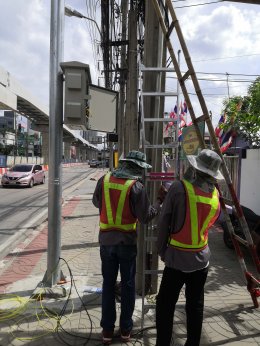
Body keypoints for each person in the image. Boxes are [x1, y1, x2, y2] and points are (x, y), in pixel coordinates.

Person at [92, 150, 166, 345]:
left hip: (106, 243)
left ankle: (107, 331)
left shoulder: (104, 180)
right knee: (128, 285)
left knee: (108, 285)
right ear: (136, 168)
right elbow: (146, 217)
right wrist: (159, 201)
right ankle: (125, 331)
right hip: (126, 245)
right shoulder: (136, 187)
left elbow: (95, 202)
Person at [156, 149, 224, 346]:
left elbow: (163, 223)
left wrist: (162, 251)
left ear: (195, 168)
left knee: (165, 306)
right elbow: (212, 221)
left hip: (176, 260)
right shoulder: (215, 195)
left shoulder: (178, 188)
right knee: (195, 306)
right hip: (202, 260)